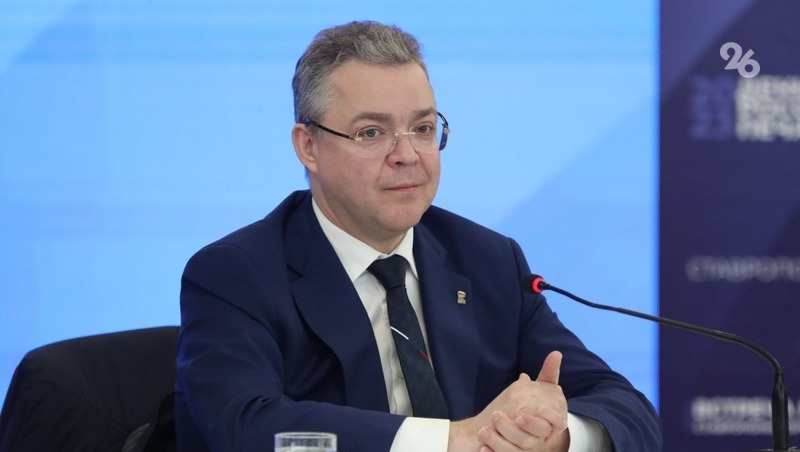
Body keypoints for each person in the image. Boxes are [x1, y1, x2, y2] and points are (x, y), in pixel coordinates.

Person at [175, 20, 662, 452]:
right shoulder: (236, 273)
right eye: (371, 133)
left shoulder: (488, 260)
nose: (407, 155)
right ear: (309, 147)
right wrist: (453, 441)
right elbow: (249, 427)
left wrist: (556, 438)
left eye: (423, 128)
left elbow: (627, 410)